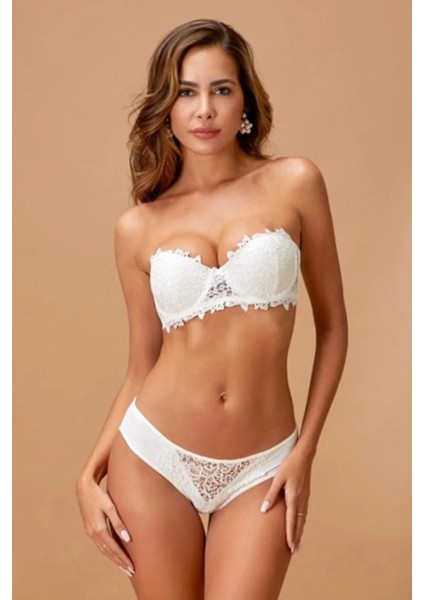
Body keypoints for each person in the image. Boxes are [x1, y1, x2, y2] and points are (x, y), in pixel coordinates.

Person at [75, 18, 348, 600]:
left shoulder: (295, 182)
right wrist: (88, 474)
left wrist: (305, 451)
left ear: (244, 100)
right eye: (186, 92)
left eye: (221, 89)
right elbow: (141, 366)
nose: (204, 110)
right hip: (153, 458)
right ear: (166, 108)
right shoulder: (137, 227)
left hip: (263, 464)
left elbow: (333, 328)